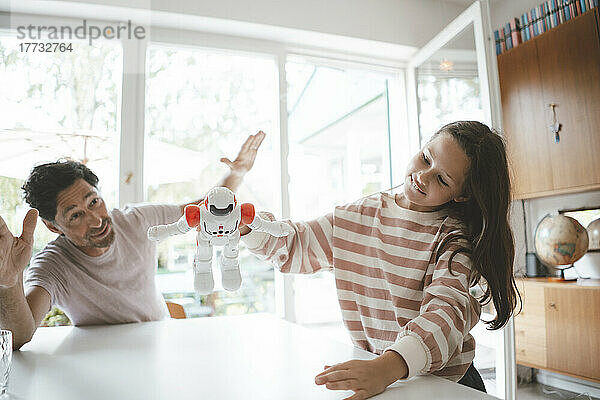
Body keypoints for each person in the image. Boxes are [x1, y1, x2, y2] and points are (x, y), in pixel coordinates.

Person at [239, 121, 519, 399]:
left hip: (444, 385)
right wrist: (247, 226)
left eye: (442, 179)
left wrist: (387, 367)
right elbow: (297, 245)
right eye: (425, 158)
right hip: (384, 377)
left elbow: (446, 315)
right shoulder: (358, 216)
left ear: (462, 195)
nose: (423, 176)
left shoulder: (453, 239)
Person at [0, 131, 266, 350]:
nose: (95, 220)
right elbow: (19, 336)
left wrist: (238, 173)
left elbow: (203, 209)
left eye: (94, 201)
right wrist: (9, 280)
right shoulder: (52, 265)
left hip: (162, 345)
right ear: (52, 226)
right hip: (101, 363)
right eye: (76, 215)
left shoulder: (137, 220)